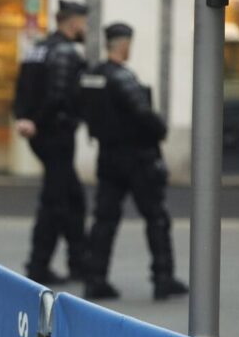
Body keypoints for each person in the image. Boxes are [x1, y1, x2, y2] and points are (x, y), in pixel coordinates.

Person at [81, 23, 189, 301]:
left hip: (108, 156)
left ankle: (95, 278)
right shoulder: (123, 78)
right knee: (156, 217)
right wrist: (161, 129)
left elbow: (83, 109)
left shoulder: (94, 76)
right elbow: (143, 114)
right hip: (137, 158)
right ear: (124, 44)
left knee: (104, 219)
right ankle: (162, 277)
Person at [13, 0, 90, 285]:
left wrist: (22, 117)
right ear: (73, 23)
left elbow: (21, 86)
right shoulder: (66, 52)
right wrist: (37, 121)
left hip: (40, 135)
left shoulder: (38, 49)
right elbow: (57, 97)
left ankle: (80, 262)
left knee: (73, 198)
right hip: (56, 134)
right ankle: (38, 266)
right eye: (84, 23)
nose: (86, 28)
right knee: (55, 202)